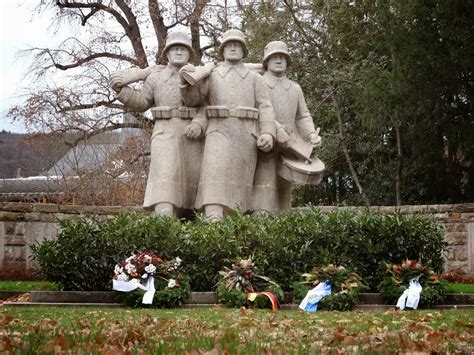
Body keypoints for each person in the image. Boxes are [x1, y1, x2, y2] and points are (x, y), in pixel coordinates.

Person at [180, 29, 277, 220]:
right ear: (222, 50)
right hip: (218, 129)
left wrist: (268, 133)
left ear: (243, 50)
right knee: (214, 173)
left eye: (237, 45)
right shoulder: (212, 75)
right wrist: (186, 83)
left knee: (239, 185)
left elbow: (265, 108)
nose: (233, 48)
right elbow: (195, 101)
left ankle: (232, 223)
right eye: (229, 45)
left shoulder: (255, 78)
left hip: (245, 133)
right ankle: (213, 217)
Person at [109, 32, 204, 217]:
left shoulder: (198, 76)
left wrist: (199, 124)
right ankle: (163, 221)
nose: (178, 51)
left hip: (191, 134)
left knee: (192, 185)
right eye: (174, 48)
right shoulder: (155, 77)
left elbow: (206, 106)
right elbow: (142, 102)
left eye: (182, 48)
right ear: (167, 54)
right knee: (165, 177)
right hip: (164, 131)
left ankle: (191, 225)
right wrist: (122, 91)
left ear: (189, 54)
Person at [252, 41, 321, 214]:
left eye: (282, 57)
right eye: (274, 57)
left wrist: (311, 134)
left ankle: (282, 232)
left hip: (291, 148)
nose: (278, 60)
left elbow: (303, 116)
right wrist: (275, 130)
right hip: (265, 146)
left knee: (284, 196)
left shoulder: (295, 88)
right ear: (266, 61)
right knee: (264, 192)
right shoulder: (259, 83)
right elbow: (257, 111)